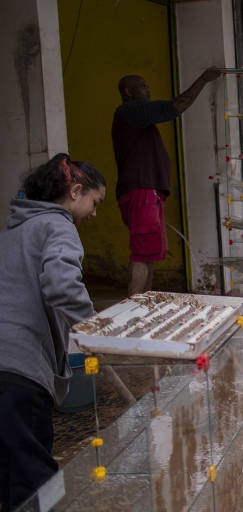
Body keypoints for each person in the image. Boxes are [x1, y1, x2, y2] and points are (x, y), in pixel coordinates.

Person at [0, 154, 106, 509]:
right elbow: (62, 286)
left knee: (9, 473)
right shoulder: (58, 225)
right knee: (37, 480)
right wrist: (96, 330)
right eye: (95, 201)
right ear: (76, 191)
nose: (94, 213)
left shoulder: (12, 230)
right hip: (19, 371)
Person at [112, 67, 220, 296]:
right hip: (141, 192)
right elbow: (175, 107)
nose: (147, 88)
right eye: (141, 85)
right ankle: (135, 305)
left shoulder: (136, 117)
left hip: (148, 193)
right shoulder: (130, 111)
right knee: (142, 252)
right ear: (127, 92)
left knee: (149, 252)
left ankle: (143, 301)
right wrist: (202, 79)